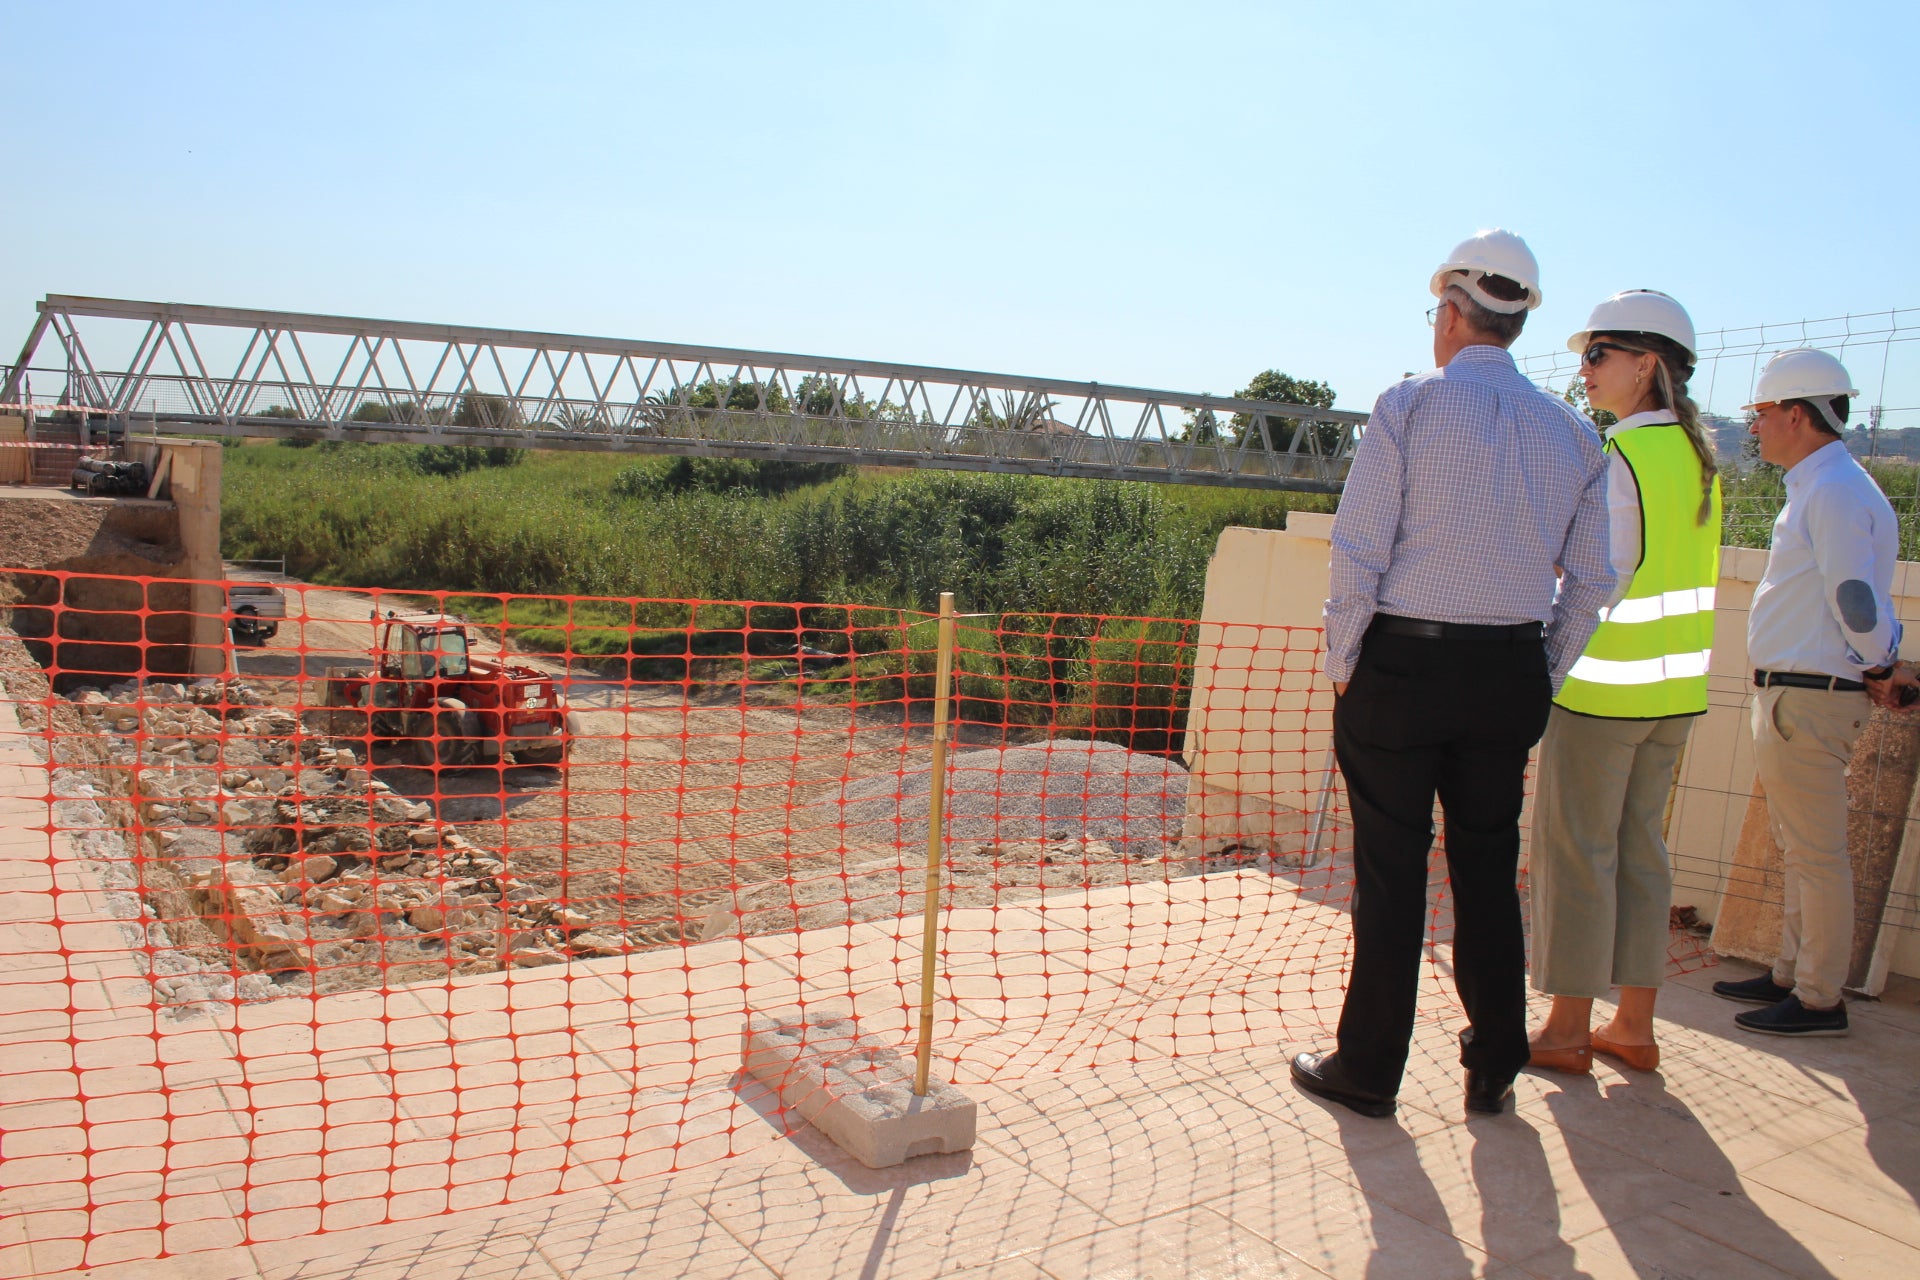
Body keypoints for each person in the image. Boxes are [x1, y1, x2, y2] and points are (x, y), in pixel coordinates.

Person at [1290, 230, 1614, 1118]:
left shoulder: (1408, 407)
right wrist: (1539, 668)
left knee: (1391, 875)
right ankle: (1496, 1058)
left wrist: (1346, 663)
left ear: (1451, 312)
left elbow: (1358, 550)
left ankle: (1368, 1069)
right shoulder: (1576, 437)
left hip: (1401, 667)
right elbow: (1595, 578)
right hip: (1507, 669)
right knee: (1486, 864)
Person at [1525, 291, 1721, 1076]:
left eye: (1599, 354)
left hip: (1604, 693)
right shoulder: (1698, 459)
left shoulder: (1625, 460)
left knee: (1576, 855)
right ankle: (1633, 1029)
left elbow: (1602, 579)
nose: (1586, 370)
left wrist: (1541, 655)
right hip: (1674, 694)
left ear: (1648, 365)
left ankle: (1567, 1029)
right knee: (1642, 855)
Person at [1712, 348, 1918, 1036]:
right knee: (1802, 846)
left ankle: (1818, 995)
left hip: (1810, 695)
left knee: (1817, 852)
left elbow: (1854, 599)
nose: (1756, 428)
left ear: (1797, 414)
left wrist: (1881, 663)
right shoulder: (1827, 485)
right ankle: (1792, 974)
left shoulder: (1831, 491)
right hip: (1797, 693)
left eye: (1763, 414)